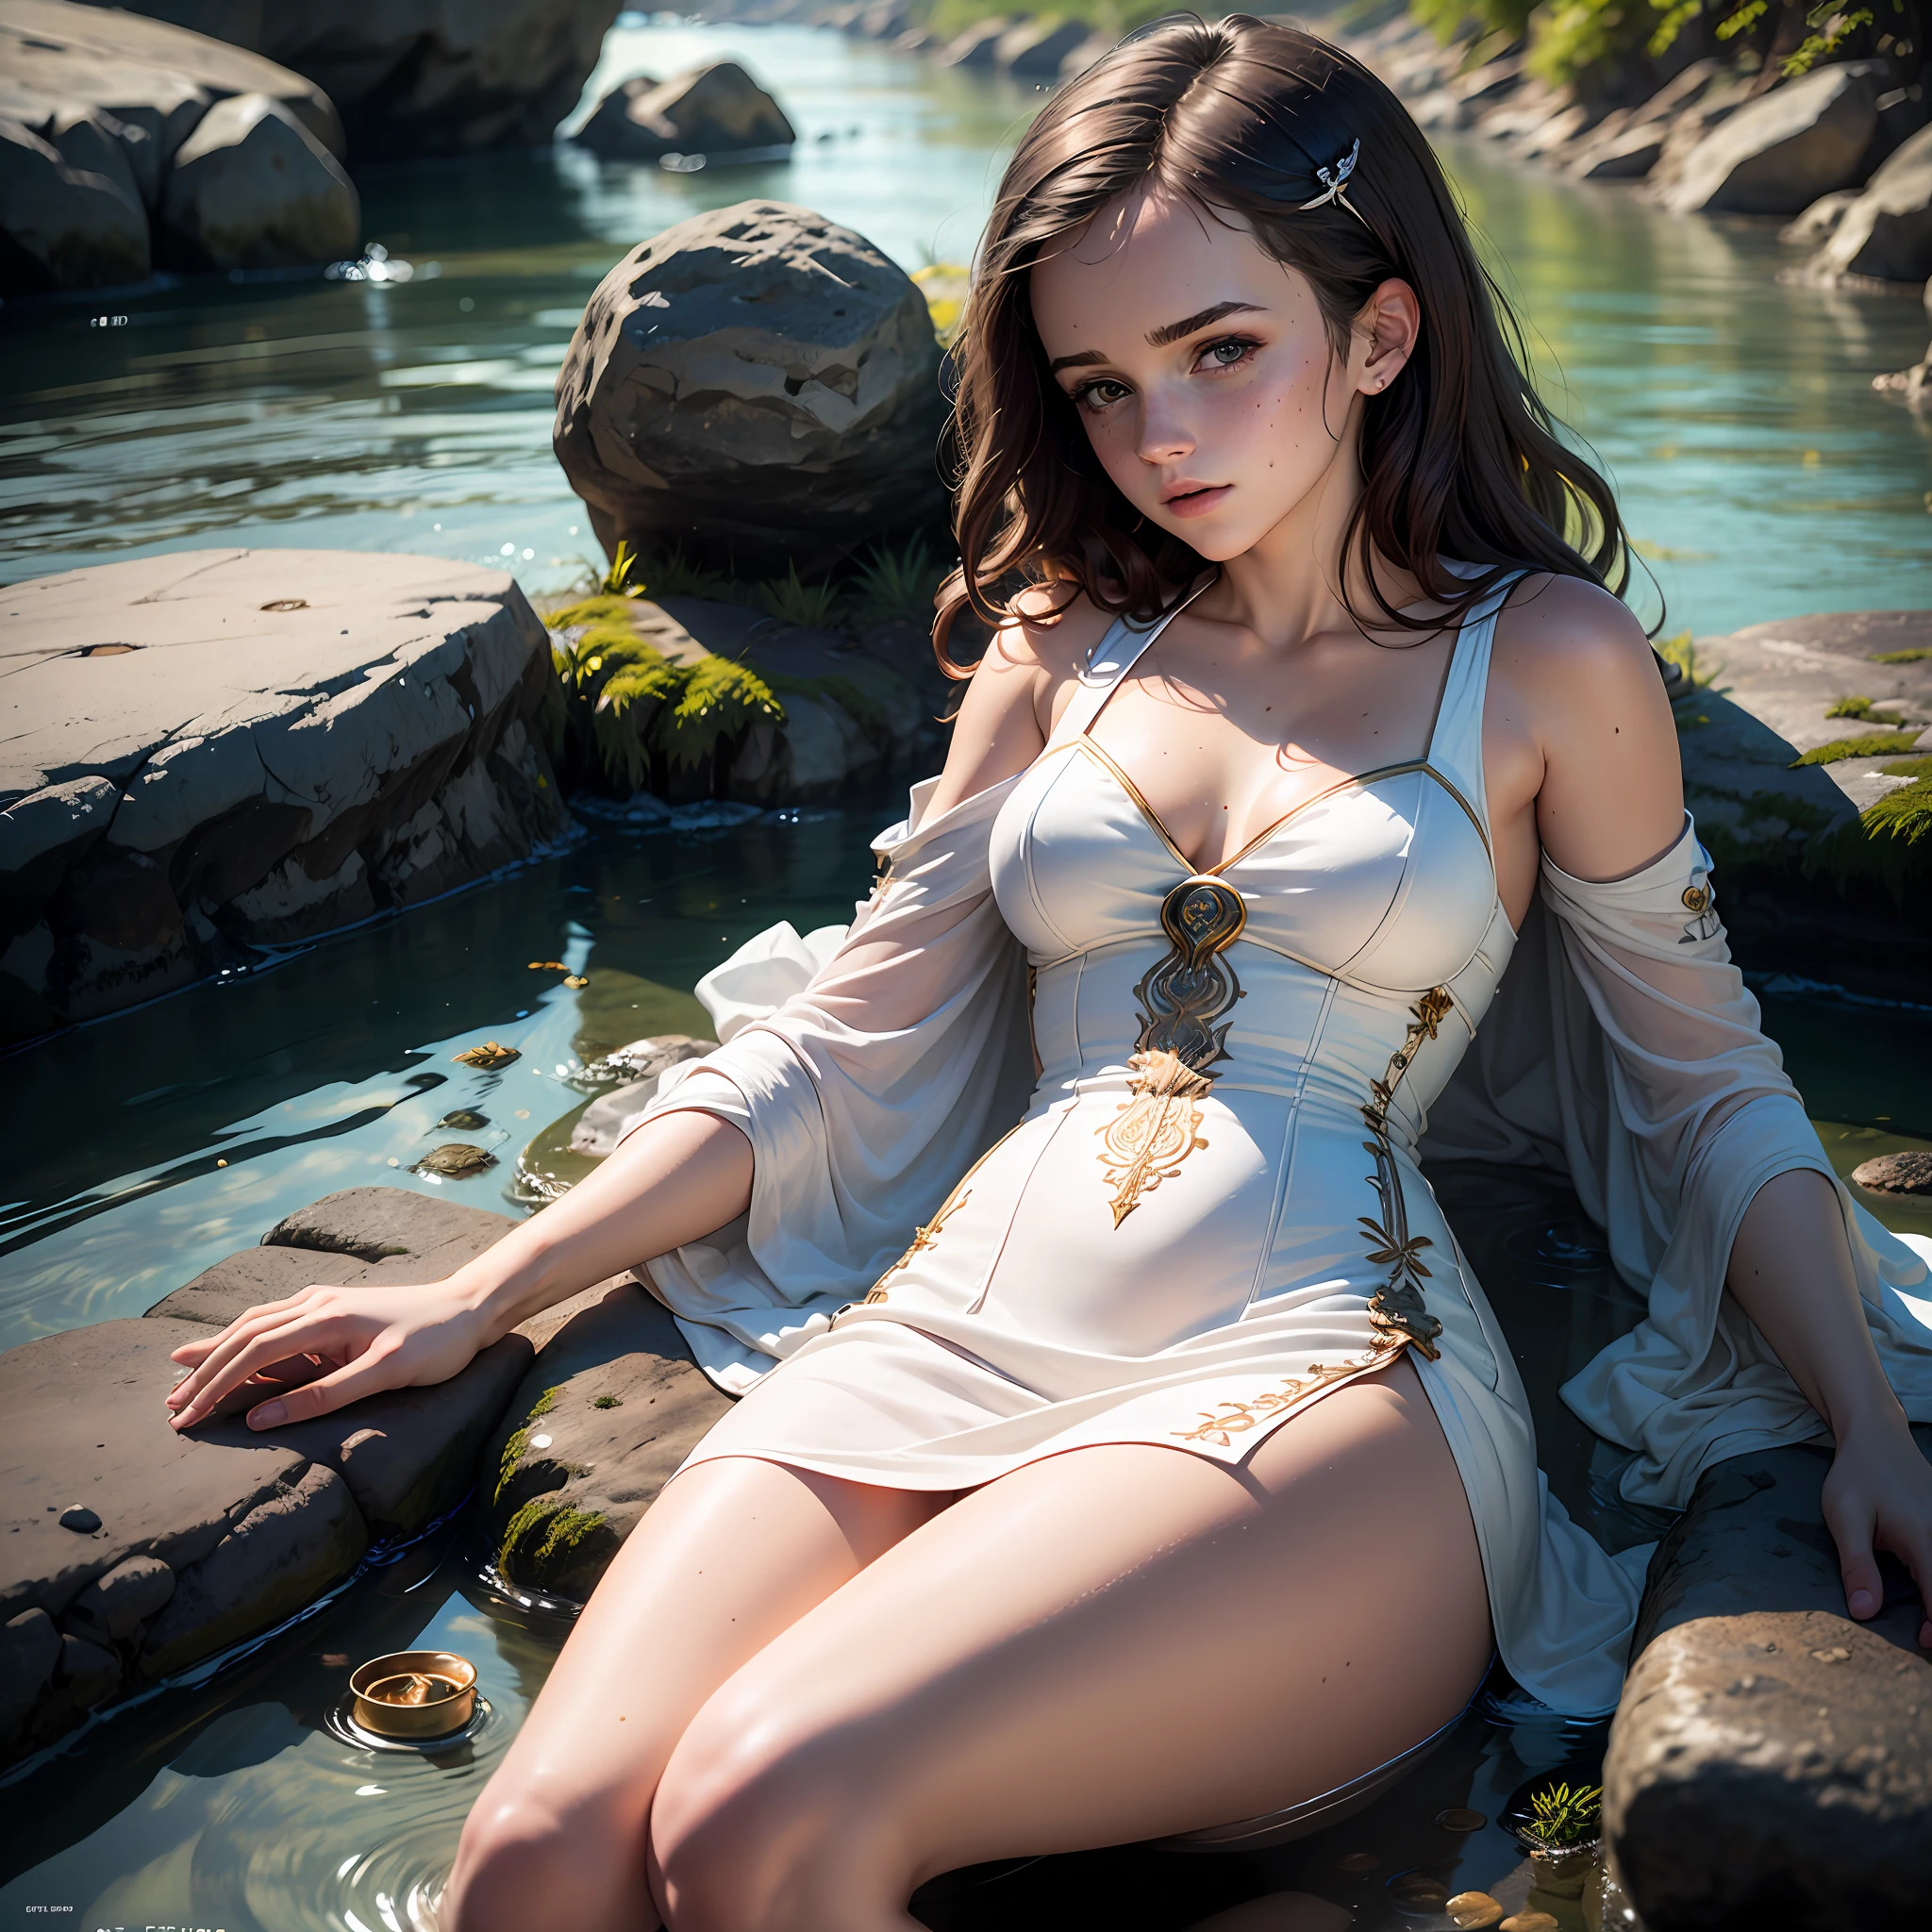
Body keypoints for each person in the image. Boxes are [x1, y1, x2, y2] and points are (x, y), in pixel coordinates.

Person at [160, 19, 1932, 1931]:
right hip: (939, 1336)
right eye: (1096, 384)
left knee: (767, 1815)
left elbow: (1702, 1075)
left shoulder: (1543, 659)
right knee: (529, 1862)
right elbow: (845, 1042)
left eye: (1220, 352)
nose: (1158, 435)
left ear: (1381, 333)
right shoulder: (1057, 641)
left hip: (1314, 1379)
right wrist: (481, 1293)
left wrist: (1867, 1422)